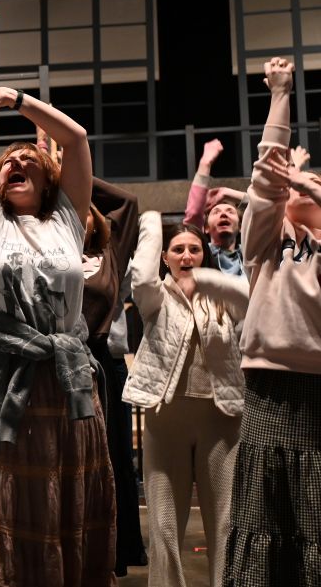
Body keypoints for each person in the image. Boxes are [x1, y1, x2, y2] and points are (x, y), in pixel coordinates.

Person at [0, 0, 116, 586]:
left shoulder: (66, 220)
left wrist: (18, 100)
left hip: (61, 385)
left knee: (55, 502)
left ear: (48, 178)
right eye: (10, 161)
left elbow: (78, 138)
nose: (17, 163)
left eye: (29, 159)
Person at [223, 58, 321, 587]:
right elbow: (266, 177)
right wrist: (281, 94)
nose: (299, 189)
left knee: (314, 513)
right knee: (265, 513)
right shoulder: (265, 244)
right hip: (266, 387)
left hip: (319, 391)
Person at [122, 214, 248, 587]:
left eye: (195, 249)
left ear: (205, 255)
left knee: (224, 523)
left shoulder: (222, 297)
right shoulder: (155, 297)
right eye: (178, 250)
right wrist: (150, 222)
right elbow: (141, 277)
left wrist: (212, 282)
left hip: (221, 419)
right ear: (165, 256)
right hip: (167, 418)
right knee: (163, 525)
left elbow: (251, 303)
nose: (187, 255)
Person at [82, 179, 147, 577]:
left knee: (116, 458)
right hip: (65, 357)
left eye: (85, 212)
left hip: (106, 358)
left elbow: (129, 201)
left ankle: (120, 550)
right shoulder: (54, 249)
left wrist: (68, 170)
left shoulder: (110, 251)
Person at [183, 138, 247, 276]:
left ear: (241, 226)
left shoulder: (250, 254)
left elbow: (265, 208)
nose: (223, 214)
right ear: (205, 228)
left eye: (230, 211)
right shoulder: (201, 253)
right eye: (216, 212)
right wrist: (205, 164)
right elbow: (194, 214)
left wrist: (226, 192)